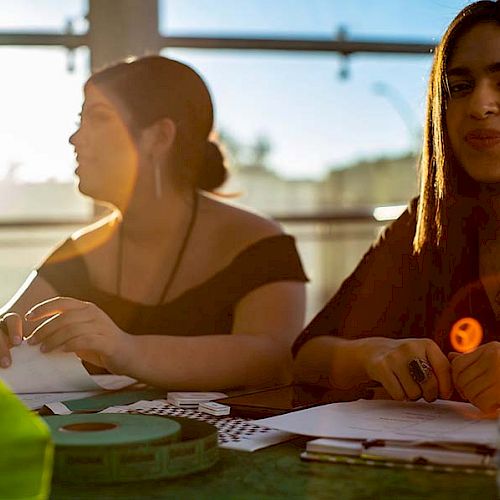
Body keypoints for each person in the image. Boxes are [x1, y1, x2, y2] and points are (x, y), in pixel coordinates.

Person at [0, 56, 307, 391]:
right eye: (80, 120)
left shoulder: (259, 244)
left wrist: (124, 349)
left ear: (159, 137)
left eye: (98, 118)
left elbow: (273, 358)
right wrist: (4, 334)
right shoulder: (80, 250)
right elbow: (11, 322)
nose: (75, 139)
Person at [293, 0, 500, 414]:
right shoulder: (430, 221)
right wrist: (373, 354)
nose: (480, 106)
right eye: (459, 87)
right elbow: (307, 357)